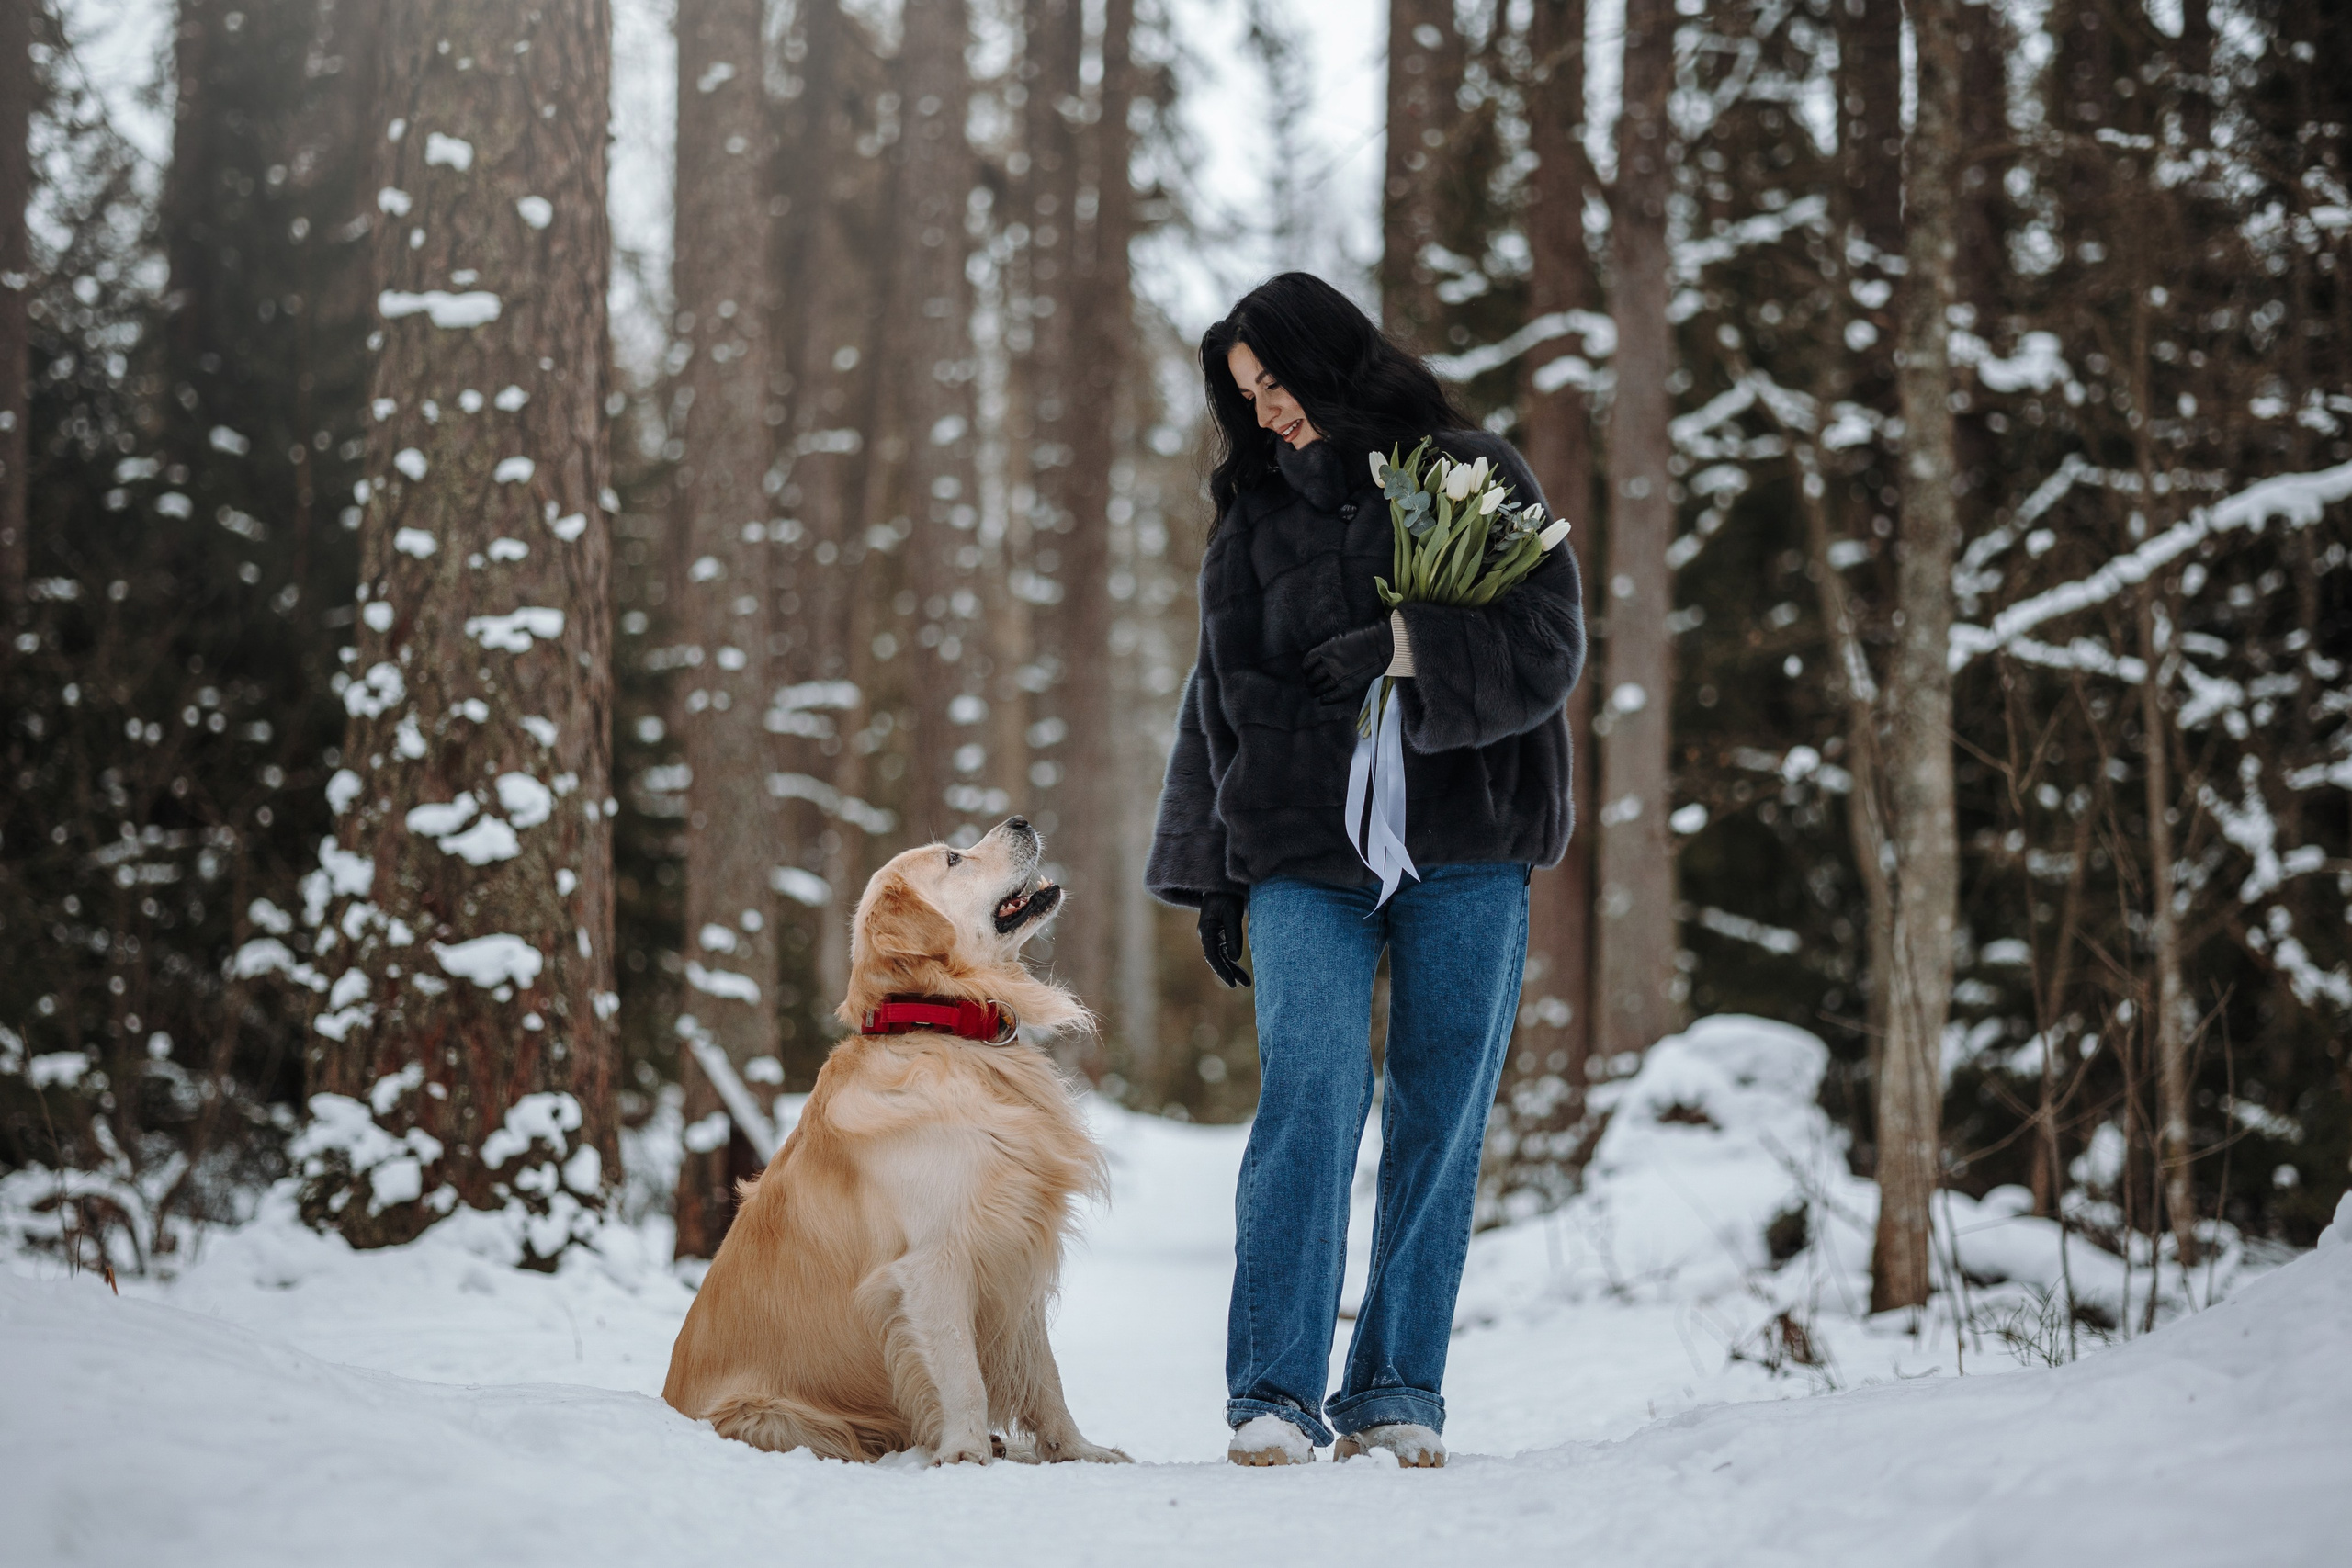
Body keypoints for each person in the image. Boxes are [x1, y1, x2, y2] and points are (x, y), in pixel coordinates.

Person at [1147, 272, 1587, 1468]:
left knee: (1440, 1111)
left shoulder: (1473, 470)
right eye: (1246, 395)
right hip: (1303, 851)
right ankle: (1272, 1397)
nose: (1265, 411)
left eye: (1274, 383)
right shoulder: (1252, 521)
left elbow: (1551, 644)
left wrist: (1406, 644)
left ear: (1327, 358)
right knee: (1311, 1093)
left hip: (1470, 842)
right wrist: (1214, 873)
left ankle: (1396, 1391)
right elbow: (1213, 702)